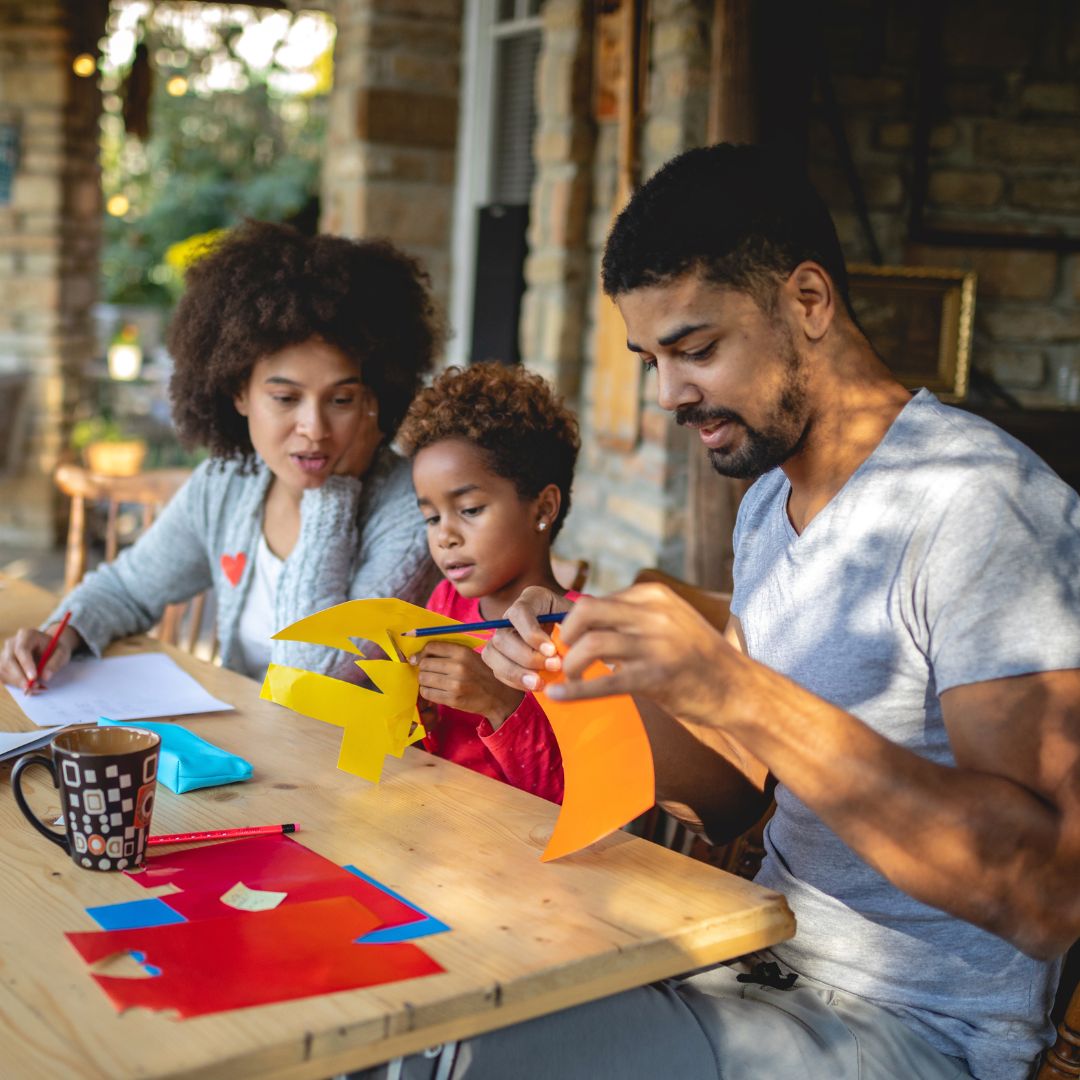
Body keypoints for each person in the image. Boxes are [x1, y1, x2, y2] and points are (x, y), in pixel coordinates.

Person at [363, 145, 1080, 1079]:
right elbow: (737, 792)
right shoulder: (768, 509)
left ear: (810, 302)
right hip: (747, 954)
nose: (669, 394)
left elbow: (1046, 893)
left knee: (429, 1050)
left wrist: (734, 687)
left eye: (697, 349)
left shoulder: (979, 505)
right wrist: (582, 678)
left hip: (910, 1027)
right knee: (390, 976)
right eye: (650, 358)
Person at [0, 221, 441, 686]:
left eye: (341, 400)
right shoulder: (228, 481)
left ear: (375, 399)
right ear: (239, 394)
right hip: (242, 745)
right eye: (286, 398)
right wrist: (58, 636)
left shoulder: (411, 511)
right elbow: (127, 587)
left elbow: (311, 683)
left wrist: (333, 498)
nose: (314, 429)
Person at [396, 362, 582, 802]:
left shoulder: (579, 630)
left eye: (471, 509)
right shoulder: (444, 604)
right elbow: (435, 758)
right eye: (431, 517)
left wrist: (501, 703)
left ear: (543, 507)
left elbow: (576, 802)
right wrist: (418, 717)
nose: (445, 535)